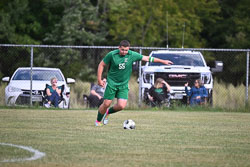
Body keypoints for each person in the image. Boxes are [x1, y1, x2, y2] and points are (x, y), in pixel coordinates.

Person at [95, 40, 173, 126]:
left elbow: (147, 58)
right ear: (119, 48)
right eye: (122, 50)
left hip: (123, 85)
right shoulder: (112, 55)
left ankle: (108, 112)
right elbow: (101, 65)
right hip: (112, 83)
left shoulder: (132, 55)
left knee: (121, 106)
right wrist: (99, 79)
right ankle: (98, 121)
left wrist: (163, 61)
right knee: (106, 103)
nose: (124, 52)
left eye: (126, 50)